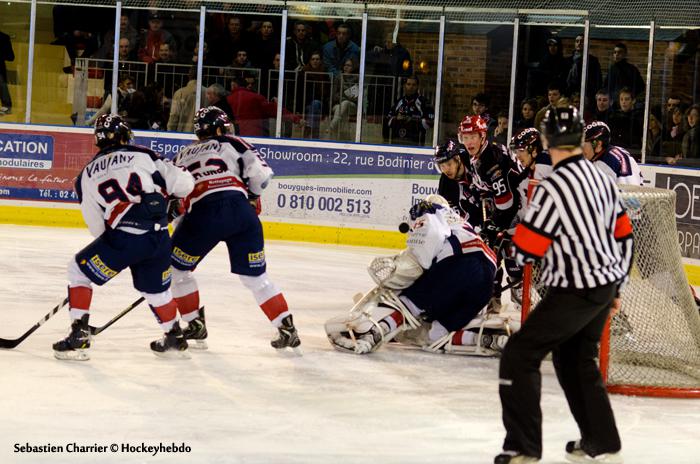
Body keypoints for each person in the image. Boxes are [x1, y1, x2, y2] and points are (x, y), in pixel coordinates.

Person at [494, 105, 633, 464]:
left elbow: (529, 246)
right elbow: (624, 235)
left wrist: (511, 243)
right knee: (575, 359)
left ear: (547, 141)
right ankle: (602, 442)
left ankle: (523, 447)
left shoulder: (554, 186)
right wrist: (617, 288)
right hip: (603, 285)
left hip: (574, 287)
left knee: (519, 355)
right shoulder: (602, 179)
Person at [53, 114, 195, 361]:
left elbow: (96, 226)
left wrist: (119, 246)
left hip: (124, 239)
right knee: (155, 290)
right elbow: (185, 184)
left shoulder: (86, 175)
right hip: (159, 236)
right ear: (125, 136)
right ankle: (174, 336)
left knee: (78, 271)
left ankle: (79, 335)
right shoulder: (144, 155)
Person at [169, 106, 301, 352]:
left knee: (175, 270)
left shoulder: (181, 155)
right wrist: (252, 196)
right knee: (256, 278)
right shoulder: (234, 142)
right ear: (220, 129)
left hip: (203, 215)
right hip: (242, 213)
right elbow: (262, 176)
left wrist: (181, 237)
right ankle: (286, 327)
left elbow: (175, 202)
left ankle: (194, 323)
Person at [325, 194, 514, 356]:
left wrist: (403, 267)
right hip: (487, 279)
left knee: (406, 304)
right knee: (437, 335)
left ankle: (372, 333)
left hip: (460, 264)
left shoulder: (430, 209)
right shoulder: (462, 223)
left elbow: (427, 244)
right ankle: (484, 339)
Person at [458, 115, 523, 313]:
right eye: (465, 137)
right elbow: (488, 191)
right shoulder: (479, 155)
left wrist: (493, 225)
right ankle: (493, 297)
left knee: (503, 249)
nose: (469, 142)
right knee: (490, 250)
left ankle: (519, 289)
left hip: (519, 208)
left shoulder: (491, 159)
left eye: (473, 137)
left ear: (482, 136)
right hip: (508, 207)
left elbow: (507, 202)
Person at [226, 75, 303, 137]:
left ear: (233, 85)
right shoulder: (256, 97)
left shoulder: (227, 99)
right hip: (255, 136)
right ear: (247, 86)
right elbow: (275, 110)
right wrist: (296, 119)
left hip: (233, 136)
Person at [434, 138, 482, 227]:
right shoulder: (445, 183)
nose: (446, 170)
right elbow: (451, 216)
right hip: (478, 217)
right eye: (442, 166)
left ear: (457, 159)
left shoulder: (474, 161)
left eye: (449, 164)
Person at [509, 127, 553, 219]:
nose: (517, 155)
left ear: (534, 150)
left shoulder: (544, 163)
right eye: (516, 151)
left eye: (521, 150)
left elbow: (539, 212)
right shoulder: (526, 174)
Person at [386, 75, 434, 146]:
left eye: (414, 85)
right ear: (404, 86)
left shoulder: (424, 102)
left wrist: (412, 120)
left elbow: (431, 122)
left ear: (417, 86)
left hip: (416, 144)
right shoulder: (399, 101)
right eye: (408, 84)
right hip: (397, 143)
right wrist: (396, 118)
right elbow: (388, 120)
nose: (411, 87)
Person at [566, 34, 602, 108]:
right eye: (577, 41)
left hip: (587, 96)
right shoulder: (568, 61)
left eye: (582, 41)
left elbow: (597, 80)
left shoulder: (592, 61)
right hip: (571, 95)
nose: (579, 43)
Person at [328, 57, 359, 140]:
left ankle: (332, 126)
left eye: (349, 65)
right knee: (342, 109)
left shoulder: (357, 79)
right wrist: (345, 98)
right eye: (345, 65)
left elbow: (356, 98)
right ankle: (345, 139)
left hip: (352, 106)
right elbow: (334, 95)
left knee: (345, 104)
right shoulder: (338, 77)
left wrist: (344, 98)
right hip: (337, 105)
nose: (346, 67)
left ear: (353, 67)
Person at [168, 67, 206, 133]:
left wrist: (170, 131)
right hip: (202, 134)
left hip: (182, 134)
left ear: (189, 76)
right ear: (203, 77)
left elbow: (174, 116)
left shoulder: (179, 93)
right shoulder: (208, 93)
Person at [608, 87, 644, 151]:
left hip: (633, 151)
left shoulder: (638, 118)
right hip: (616, 151)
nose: (623, 102)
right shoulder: (614, 117)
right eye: (621, 99)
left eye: (627, 99)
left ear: (633, 101)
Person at [0, 30, 15, 115]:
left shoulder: (3, 38)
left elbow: (11, 57)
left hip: (0, 70)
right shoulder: (4, 37)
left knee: (1, 82)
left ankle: (6, 106)